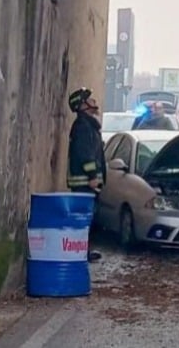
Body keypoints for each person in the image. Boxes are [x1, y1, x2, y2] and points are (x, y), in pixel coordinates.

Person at [67, 87, 106, 263]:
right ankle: (81, 251)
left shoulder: (88, 124)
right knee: (83, 218)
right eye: (90, 100)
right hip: (84, 183)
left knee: (88, 218)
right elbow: (85, 154)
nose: (94, 102)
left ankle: (83, 249)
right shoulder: (83, 127)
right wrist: (92, 176)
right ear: (82, 106)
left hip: (86, 182)